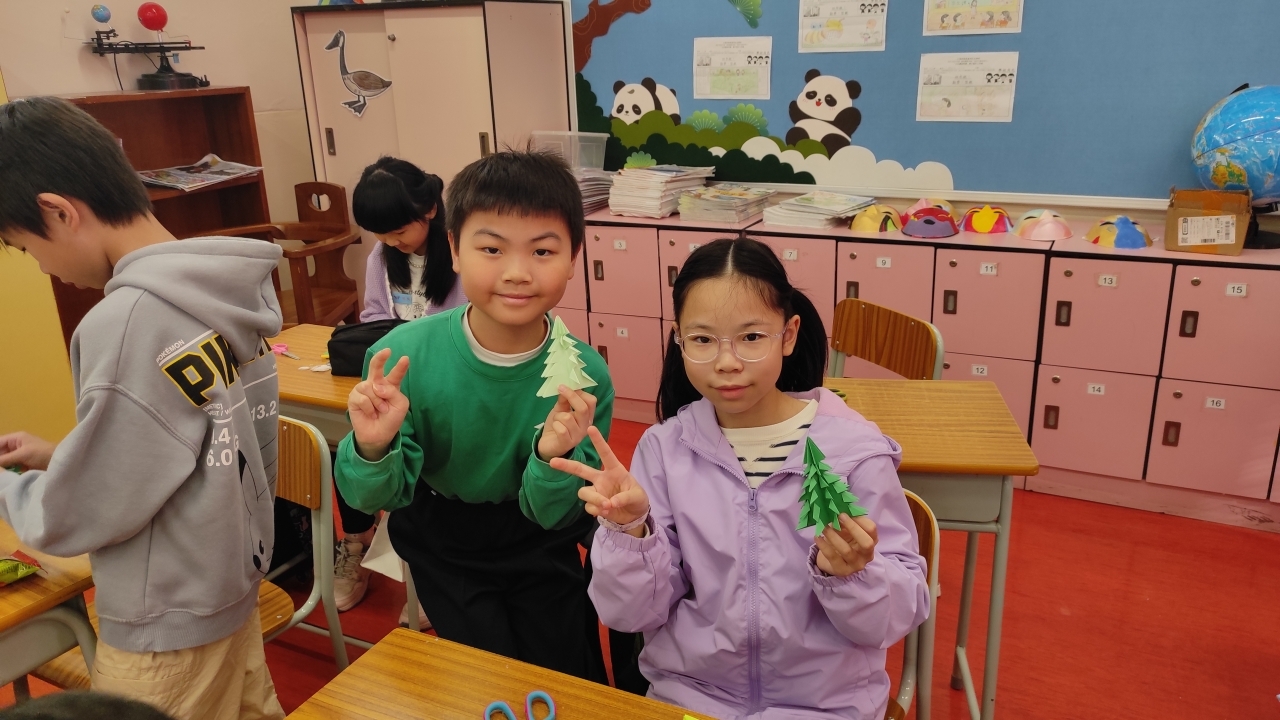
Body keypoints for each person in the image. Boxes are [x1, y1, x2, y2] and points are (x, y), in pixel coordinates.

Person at [552, 238, 930, 719]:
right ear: (679, 339)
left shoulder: (854, 454)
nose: (726, 362)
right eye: (703, 340)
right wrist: (631, 533)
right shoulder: (665, 451)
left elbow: (894, 619)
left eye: (751, 337)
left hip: (824, 708)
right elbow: (630, 615)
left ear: (788, 335)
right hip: (691, 699)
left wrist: (854, 574)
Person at [0, 97, 285, 720]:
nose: (42, 266)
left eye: (25, 247)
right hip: (229, 586)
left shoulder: (127, 322)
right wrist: (64, 454)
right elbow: (210, 442)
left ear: (58, 211)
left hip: (166, 621)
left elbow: (85, 510)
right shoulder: (223, 293)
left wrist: (8, 489)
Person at [333, 150, 613, 680]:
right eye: (491, 249)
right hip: (444, 543)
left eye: (543, 250)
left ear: (574, 257)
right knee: (484, 679)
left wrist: (550, 458)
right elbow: (371, 497)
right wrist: (371, 447)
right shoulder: (401, 357)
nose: (517, 272)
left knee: (566, 674)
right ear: (455, 250)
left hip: (539, 543)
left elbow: (558, 515)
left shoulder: (585, 375)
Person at [328, 157, 467, 620]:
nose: (390, 242)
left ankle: (427, 578)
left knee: (430, 463)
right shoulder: (381, 257)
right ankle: (357, 541)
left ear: (430, 208)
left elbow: (468, 327)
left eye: (398, 231)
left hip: (447, 383)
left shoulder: (458, 252)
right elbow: (374, 319)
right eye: (380, 234)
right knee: (350, 444)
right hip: (398, 383)